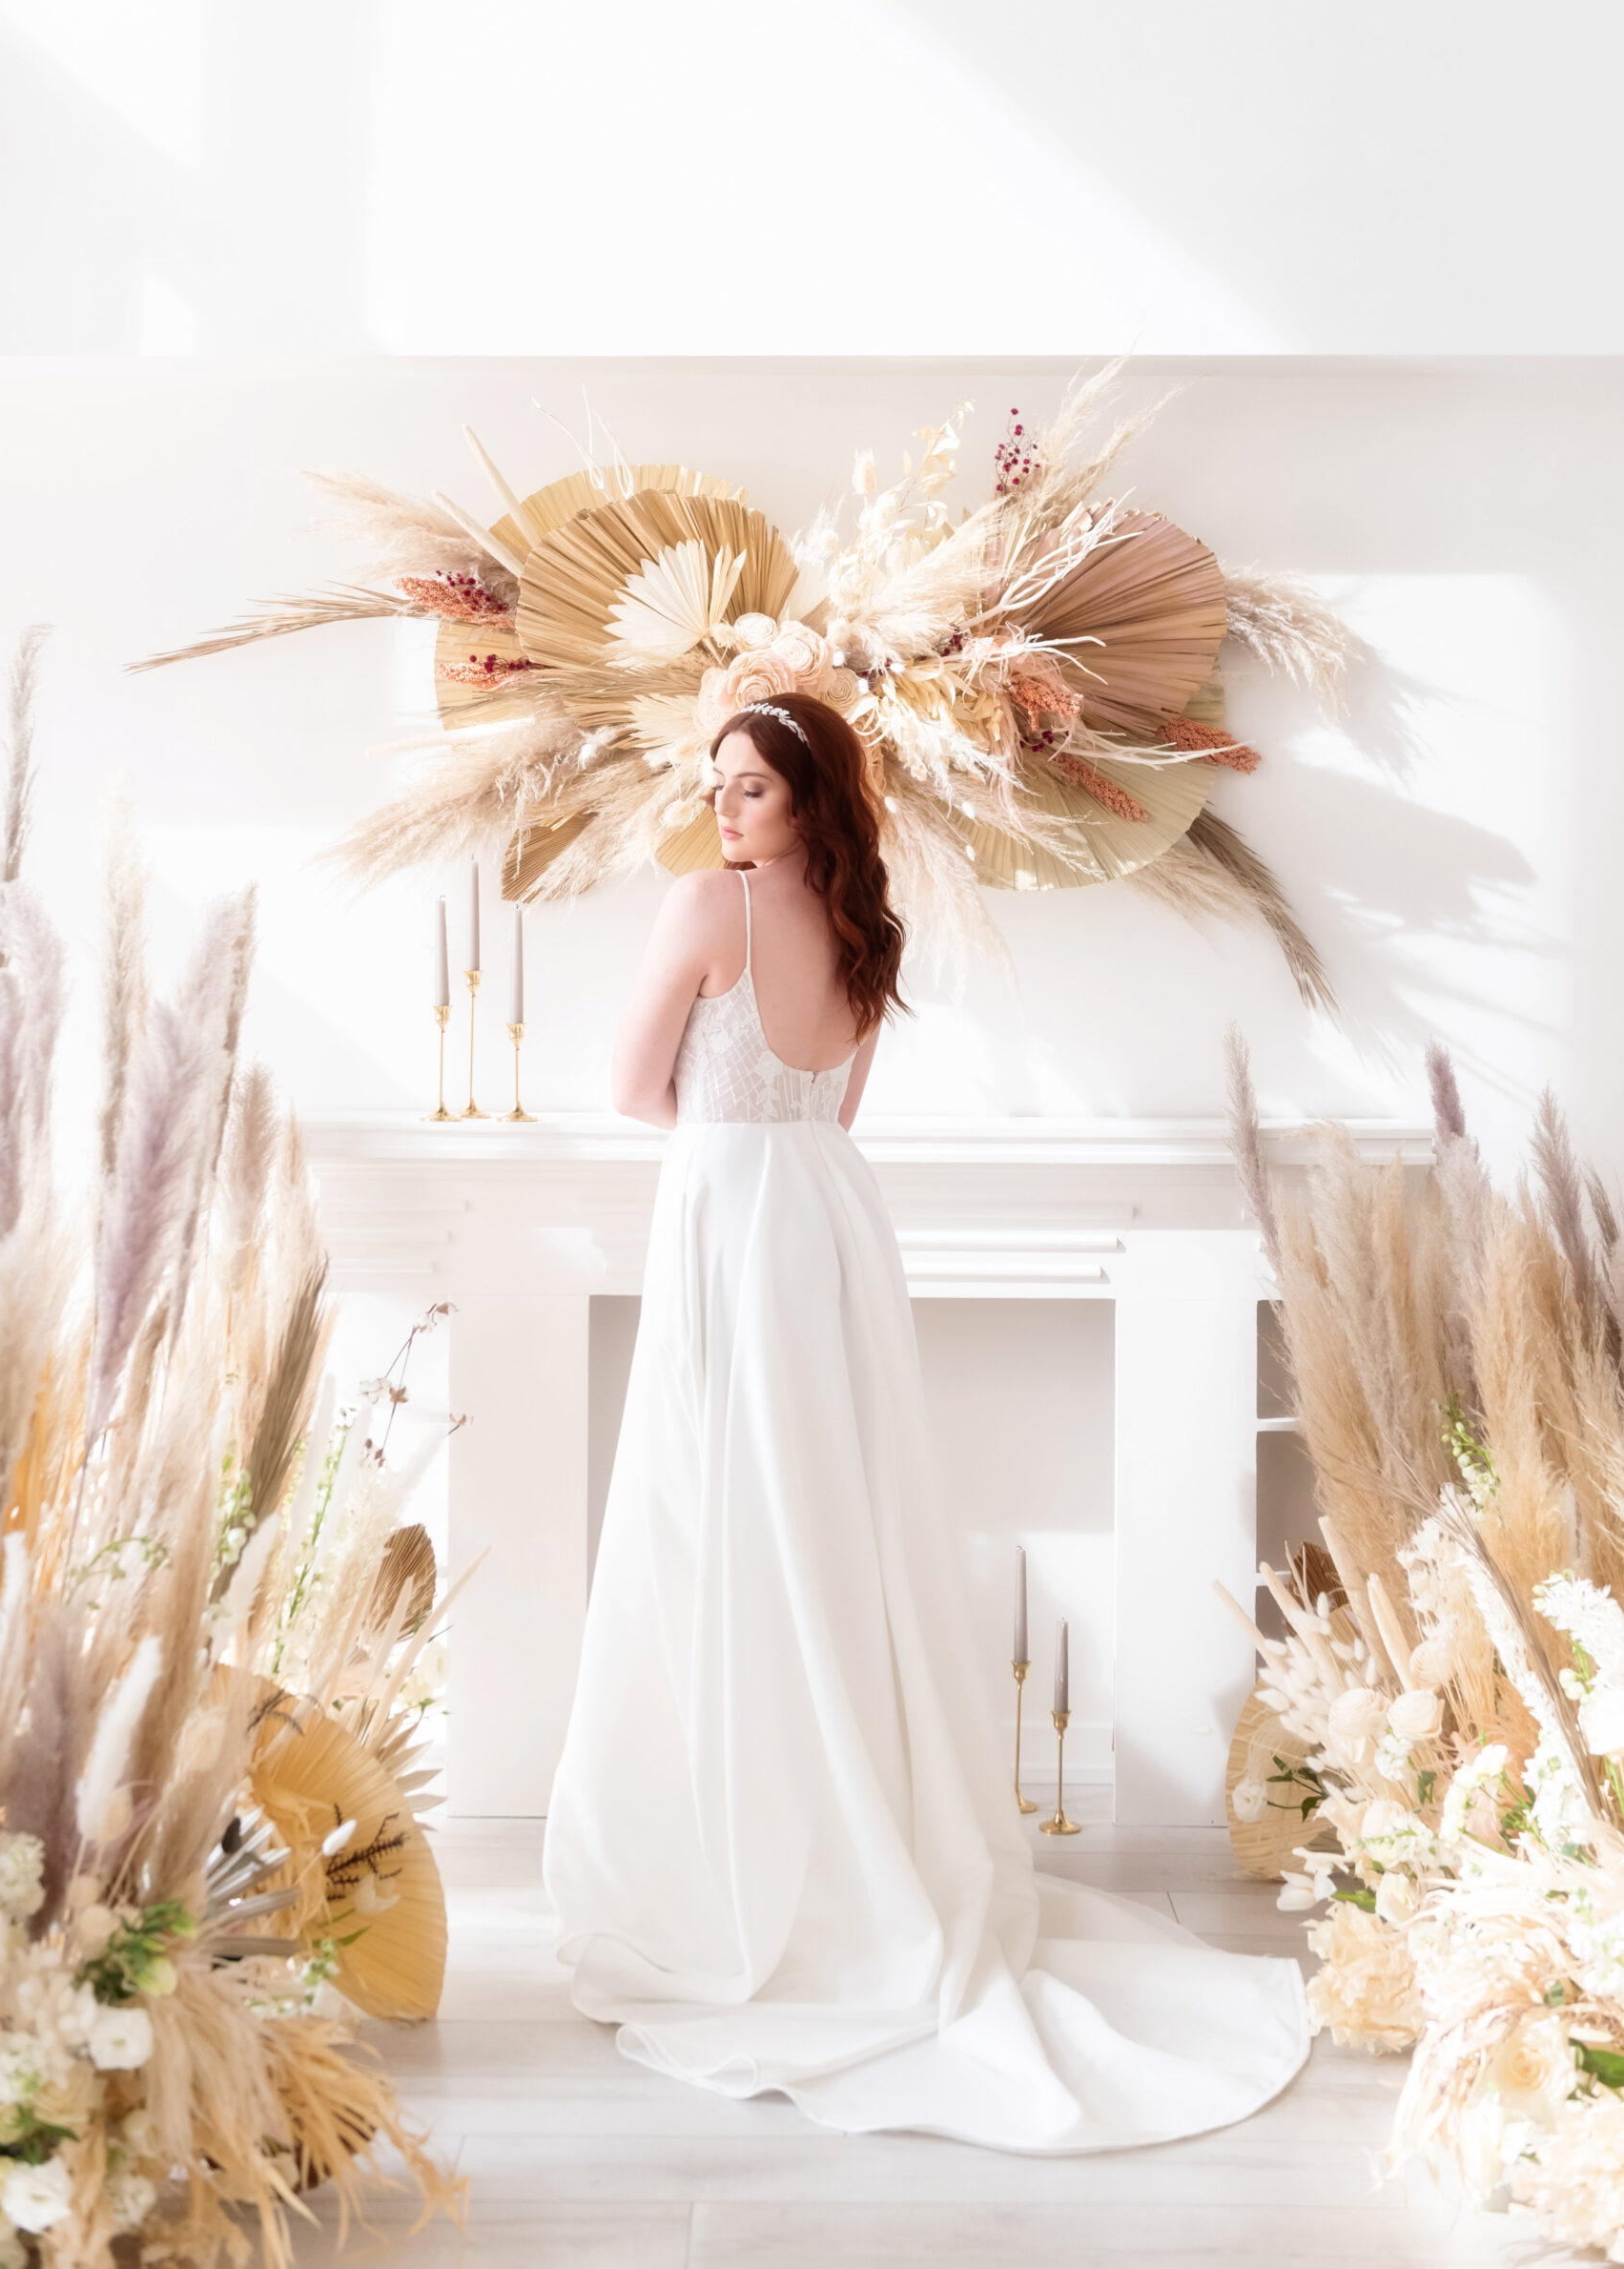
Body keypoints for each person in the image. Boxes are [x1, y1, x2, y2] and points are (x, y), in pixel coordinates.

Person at [543, 690, 1307, 2152]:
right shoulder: (862, 927)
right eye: (717, 784)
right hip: (826, 1220)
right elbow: (832, 1119)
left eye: (751, 787)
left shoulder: (709, 906)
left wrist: (721, 1140)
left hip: (727, 1211)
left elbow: (634, 1090)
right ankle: (852, 1828)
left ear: (808, 798)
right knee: (832, 1524)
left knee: (722, 1519)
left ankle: (741, 1855)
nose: (723, 807)